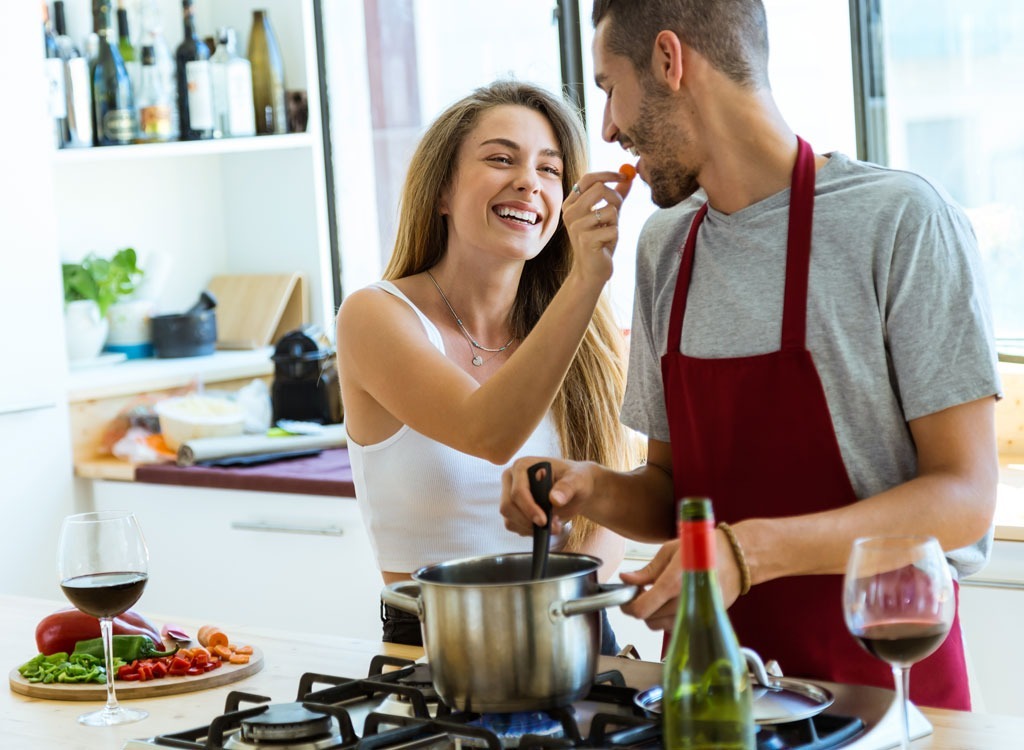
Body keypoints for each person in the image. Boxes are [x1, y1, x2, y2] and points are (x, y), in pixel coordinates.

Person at [499, 0, 1001, 710]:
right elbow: (675, 493)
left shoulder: (899, 221)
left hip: (883, 690)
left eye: (609, 88)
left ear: (670, 61)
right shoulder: (665, 247)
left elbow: (965, 498)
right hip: (714, 695)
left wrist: (746, 553)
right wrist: (591, 488)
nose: (608, 128)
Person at [336, 80, 640, 655]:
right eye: (501, 159)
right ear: (443, 191)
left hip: (574, 637)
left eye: (550, 170)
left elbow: (609, 514)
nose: (529, 181)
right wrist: (586, 279)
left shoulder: (592, 337)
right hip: (433, 652)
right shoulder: (374, 317)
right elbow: (489, 433)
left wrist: (572, 633)